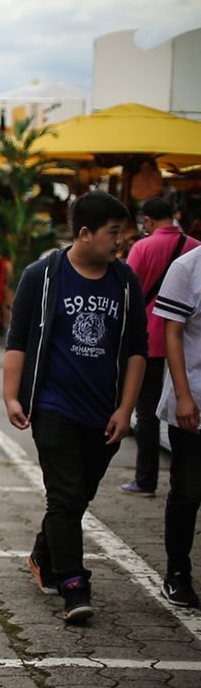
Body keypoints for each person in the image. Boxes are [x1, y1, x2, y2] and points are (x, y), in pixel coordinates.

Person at [5, 190, 146, 624]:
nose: (120, 242)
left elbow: (137, 350)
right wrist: (11, 395)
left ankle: (43, 554)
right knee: (65, 496)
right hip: (53, 407)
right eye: (113, 233)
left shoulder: (126, 282)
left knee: (78, 497)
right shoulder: (42, 275)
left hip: (103, 412)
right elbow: (18, 337)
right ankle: (73, 584)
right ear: (85, 233)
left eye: (123, 233)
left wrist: (126, 409)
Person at [120, 197, 199, 497]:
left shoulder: (142, 247)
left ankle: (145, 479)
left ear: (148, 220)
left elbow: (128, 292)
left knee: (147, 412)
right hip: (188, 343)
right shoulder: (194, 247)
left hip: (150, 339)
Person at [153, 244, 201, 607]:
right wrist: (183, 395)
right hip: (194, 401)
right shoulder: (187, 268)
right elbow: (172, 332)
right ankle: (177, 573)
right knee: (187, 490)